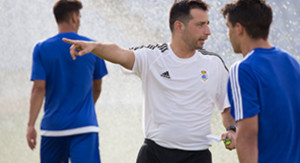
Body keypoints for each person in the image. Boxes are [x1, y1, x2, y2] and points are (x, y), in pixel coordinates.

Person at [63, 0, 235, 162]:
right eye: (200, 24)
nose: (208, 32)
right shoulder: (152, 56)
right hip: (155, 154)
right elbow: (120, 53)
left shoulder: (215, 64)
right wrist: (95, 47)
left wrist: (232, 130)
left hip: (198, 157)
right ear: (179, 26)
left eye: (208, 24)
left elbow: (226, 108)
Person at [26, 0, 108, 162]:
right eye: (79, 16)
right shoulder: (92, 48)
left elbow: (38, 89)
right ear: (73, 18)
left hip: (53, 129)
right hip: (85, 127)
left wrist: (30, 125)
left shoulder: (42, 48)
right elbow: (97, 87)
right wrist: (84, 109)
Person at [221, 0, 300, 162]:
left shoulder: (242, 69)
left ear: (239, 28)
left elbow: (248, 135)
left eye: (228, 27)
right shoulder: (292, 63)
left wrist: (241, 138)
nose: (228, 34)